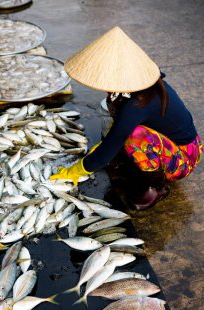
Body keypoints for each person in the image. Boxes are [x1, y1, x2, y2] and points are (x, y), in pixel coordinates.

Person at [50, 26, 203, 211]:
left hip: (183, 159)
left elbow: (111, 144)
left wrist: (76, 170)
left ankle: (157, 187)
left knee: (136, 137)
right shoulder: (141, 88)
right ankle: (129, 160)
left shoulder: (138, 104)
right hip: (165, 142)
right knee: (113, 114)